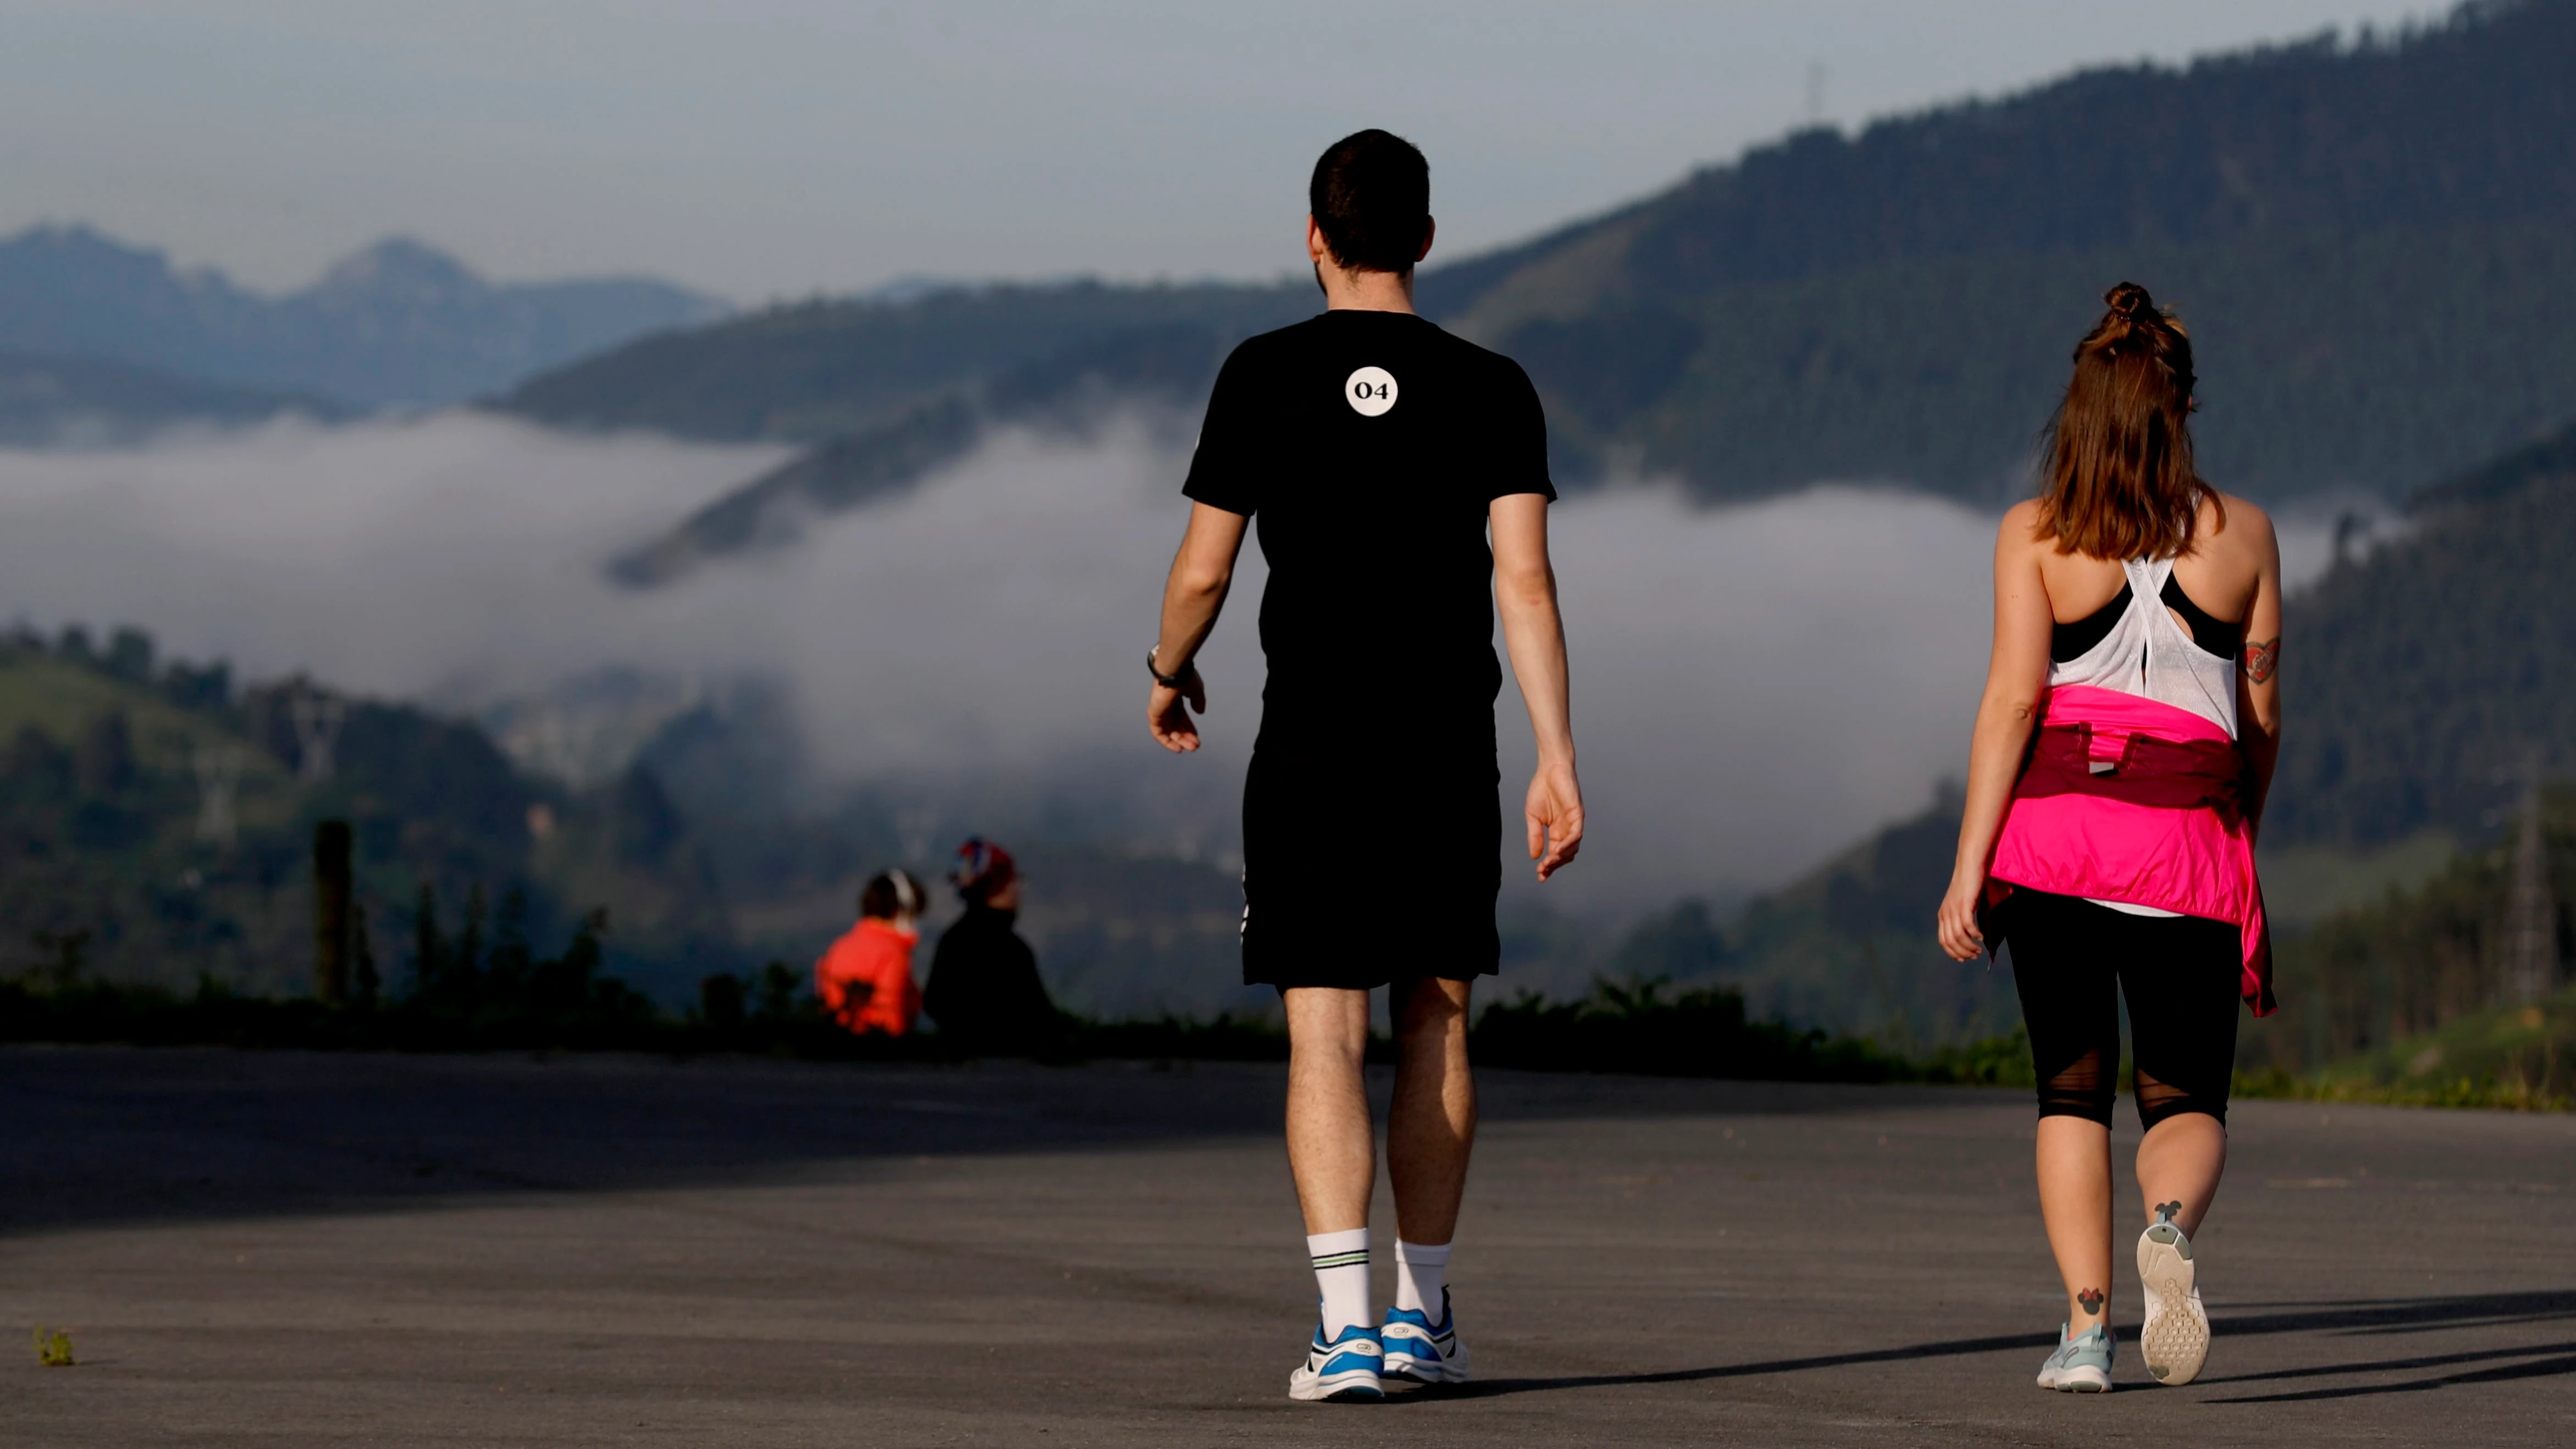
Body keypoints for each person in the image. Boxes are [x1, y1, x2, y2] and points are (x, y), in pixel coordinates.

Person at [1146, 129, 1583, 1404]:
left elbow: (1205, 570)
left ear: (1312, 236)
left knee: (1322, 1029)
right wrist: (1558, 753)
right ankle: (1421, 1314)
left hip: (1313, 745)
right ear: (1429, 240)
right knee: (1436, 1012)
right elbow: (1526, 580)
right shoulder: (1493, 385)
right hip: (1446, 740)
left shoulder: (1260, 373)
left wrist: (1167, 668)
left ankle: (1341, 1326)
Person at [1936, 281, 2282, 1395]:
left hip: (2054, 848)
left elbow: (2010, 703)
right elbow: (2261, 715)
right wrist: (2240, 834)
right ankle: (2169, 1228)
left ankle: (2086, 1333)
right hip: (2185, 845)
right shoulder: (2244, 538)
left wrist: (1970, 867)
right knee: (2185, 1101)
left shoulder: (2034, 536)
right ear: (2180, 411)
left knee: (2069, 1091)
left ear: (2076, 417)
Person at [921, 837, 1058, 1055]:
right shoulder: (1014, 950)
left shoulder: (951, 940)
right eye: (1015, 880)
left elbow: (934, 1002)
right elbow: (1043, 1020)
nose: (1019, 889)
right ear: (1000, 886)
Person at [813, 869, 925, 1037]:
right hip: (876, 1051)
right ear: (901, 910)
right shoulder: (893, 953)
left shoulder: (840, 946)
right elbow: (890, 1014)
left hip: (837, 1044)